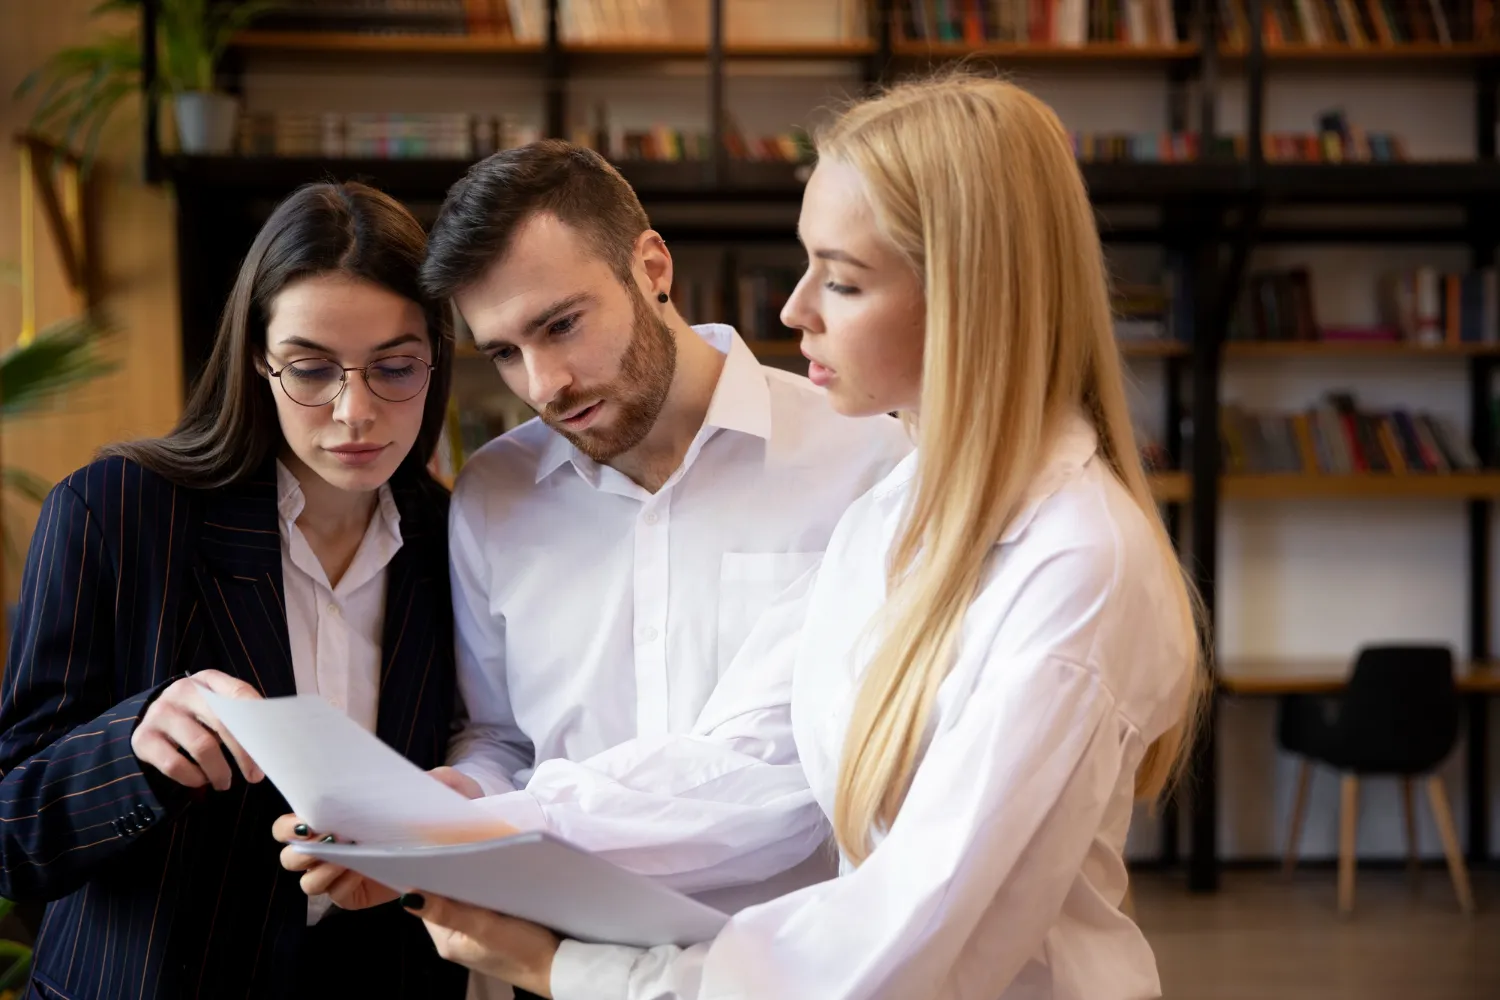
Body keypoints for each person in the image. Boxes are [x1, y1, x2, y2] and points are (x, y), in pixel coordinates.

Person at [390, 70, 1209, 1000]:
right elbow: (752, 761)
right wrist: (452, 827)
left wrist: (570, 967)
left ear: (971, 295)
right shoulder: (895, 512)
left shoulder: (1075, 560)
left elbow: (916, 930)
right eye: (807, 263)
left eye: (843, 279)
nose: (792, 309)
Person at [275, 137, 915, 998]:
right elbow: (501, 736)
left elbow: (803, 770)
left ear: (651, 265)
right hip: (559, 977)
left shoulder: (865, 460)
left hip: (784, 970)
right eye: (502, 352)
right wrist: (449, 799)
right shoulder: (493, 493)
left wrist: (466, 830)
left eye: (561, 324)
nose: (544, 383)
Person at [0, 181, 470, 999]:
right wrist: (133, 745)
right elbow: (9, 833)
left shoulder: (454, 537)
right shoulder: (117, 511)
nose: (354, 410)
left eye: (395, 367)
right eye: (310, 369)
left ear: (436, 356)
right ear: (259, 359)